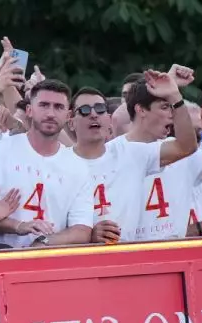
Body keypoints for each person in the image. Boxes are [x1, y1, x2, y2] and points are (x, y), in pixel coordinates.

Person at [69, 73, 195, 245]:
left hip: (129, 258)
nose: (93, 114)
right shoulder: (60, 162)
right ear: (71, 122)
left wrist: (174, 96)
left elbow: (186, 146)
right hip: (79, 261)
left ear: (108, 118)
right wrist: (88, 233)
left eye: (99, 109)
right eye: (84, 110)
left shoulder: (131, 153)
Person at [0, 80, 93, 248]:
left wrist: (44, 242)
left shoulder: (78, 166)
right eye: (44, 105)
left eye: (59, 107)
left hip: (47, 265)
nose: (51, 113)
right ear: (29, 110)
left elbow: (82, 230)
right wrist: (18, 226)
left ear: (68, 115)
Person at [125, 76, 202, 241]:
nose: (173, 115)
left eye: (173, 107)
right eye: (165, 107)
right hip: (129, 258)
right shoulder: (112, 153)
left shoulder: (184, 156)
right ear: (141, 110)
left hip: (177, 258)